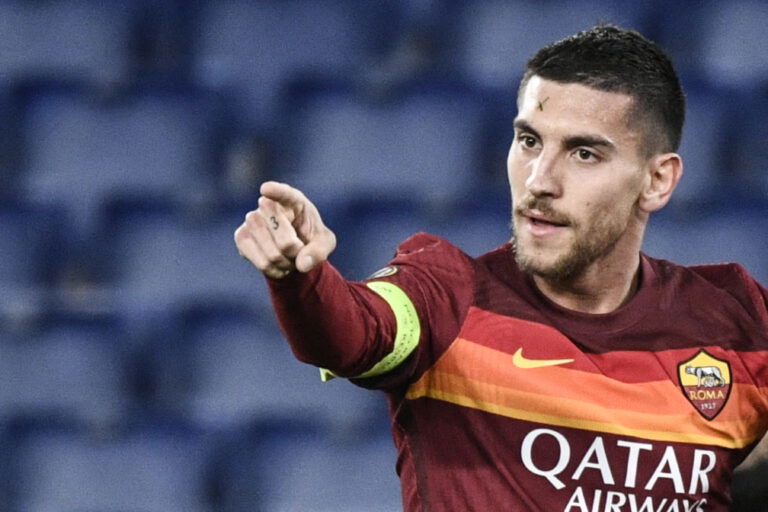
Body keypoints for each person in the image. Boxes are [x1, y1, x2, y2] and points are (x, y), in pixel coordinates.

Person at [234, 25, 768, 511]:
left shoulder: (736, 322)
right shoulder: (450, 296)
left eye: (584, 153)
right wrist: (300, 279)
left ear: (657, 181)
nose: (539, 180)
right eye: (529, 141)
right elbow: (355, 331)